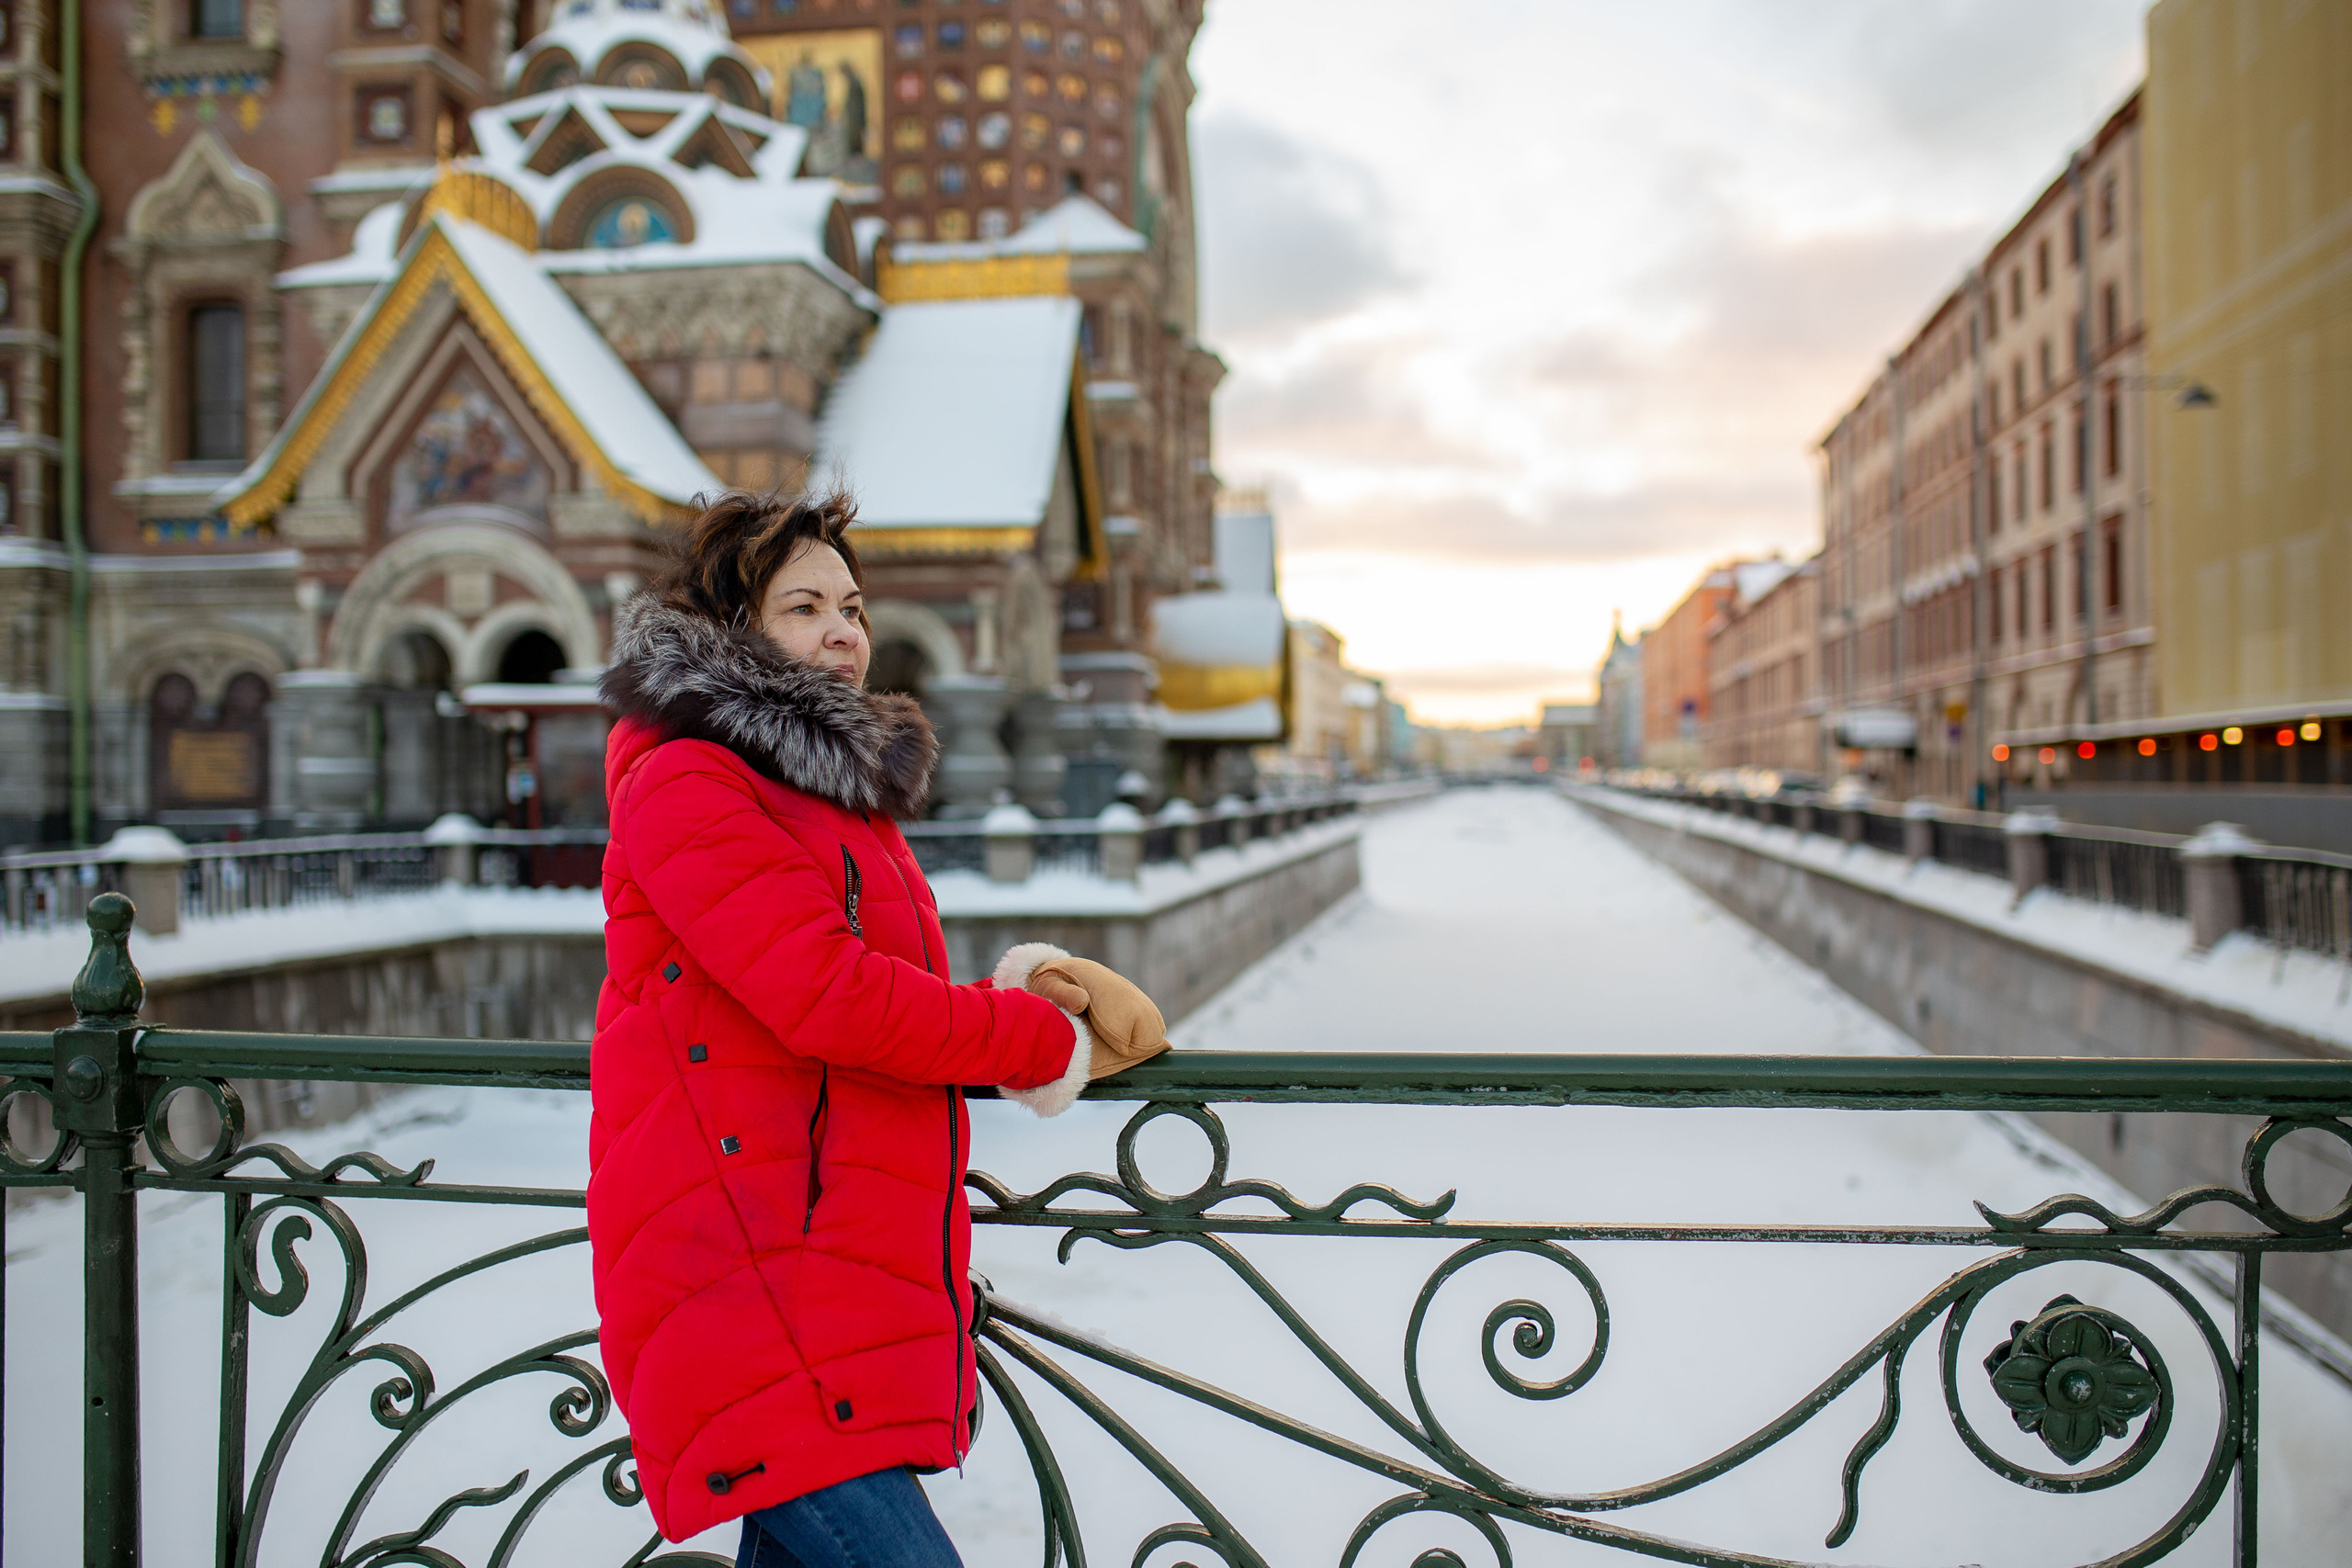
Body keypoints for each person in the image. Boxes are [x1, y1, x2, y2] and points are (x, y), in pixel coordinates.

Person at [590, 490, 1161, 1563]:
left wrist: (1023, 993)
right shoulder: (689, 778)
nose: (844, 631)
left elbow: (872, 981)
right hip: (745, 1263)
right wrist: (1032, 1040)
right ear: (732, 629)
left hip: (823, 1258)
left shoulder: (820, 789)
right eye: (804, 607)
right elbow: (829, 994)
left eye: (851, 605)